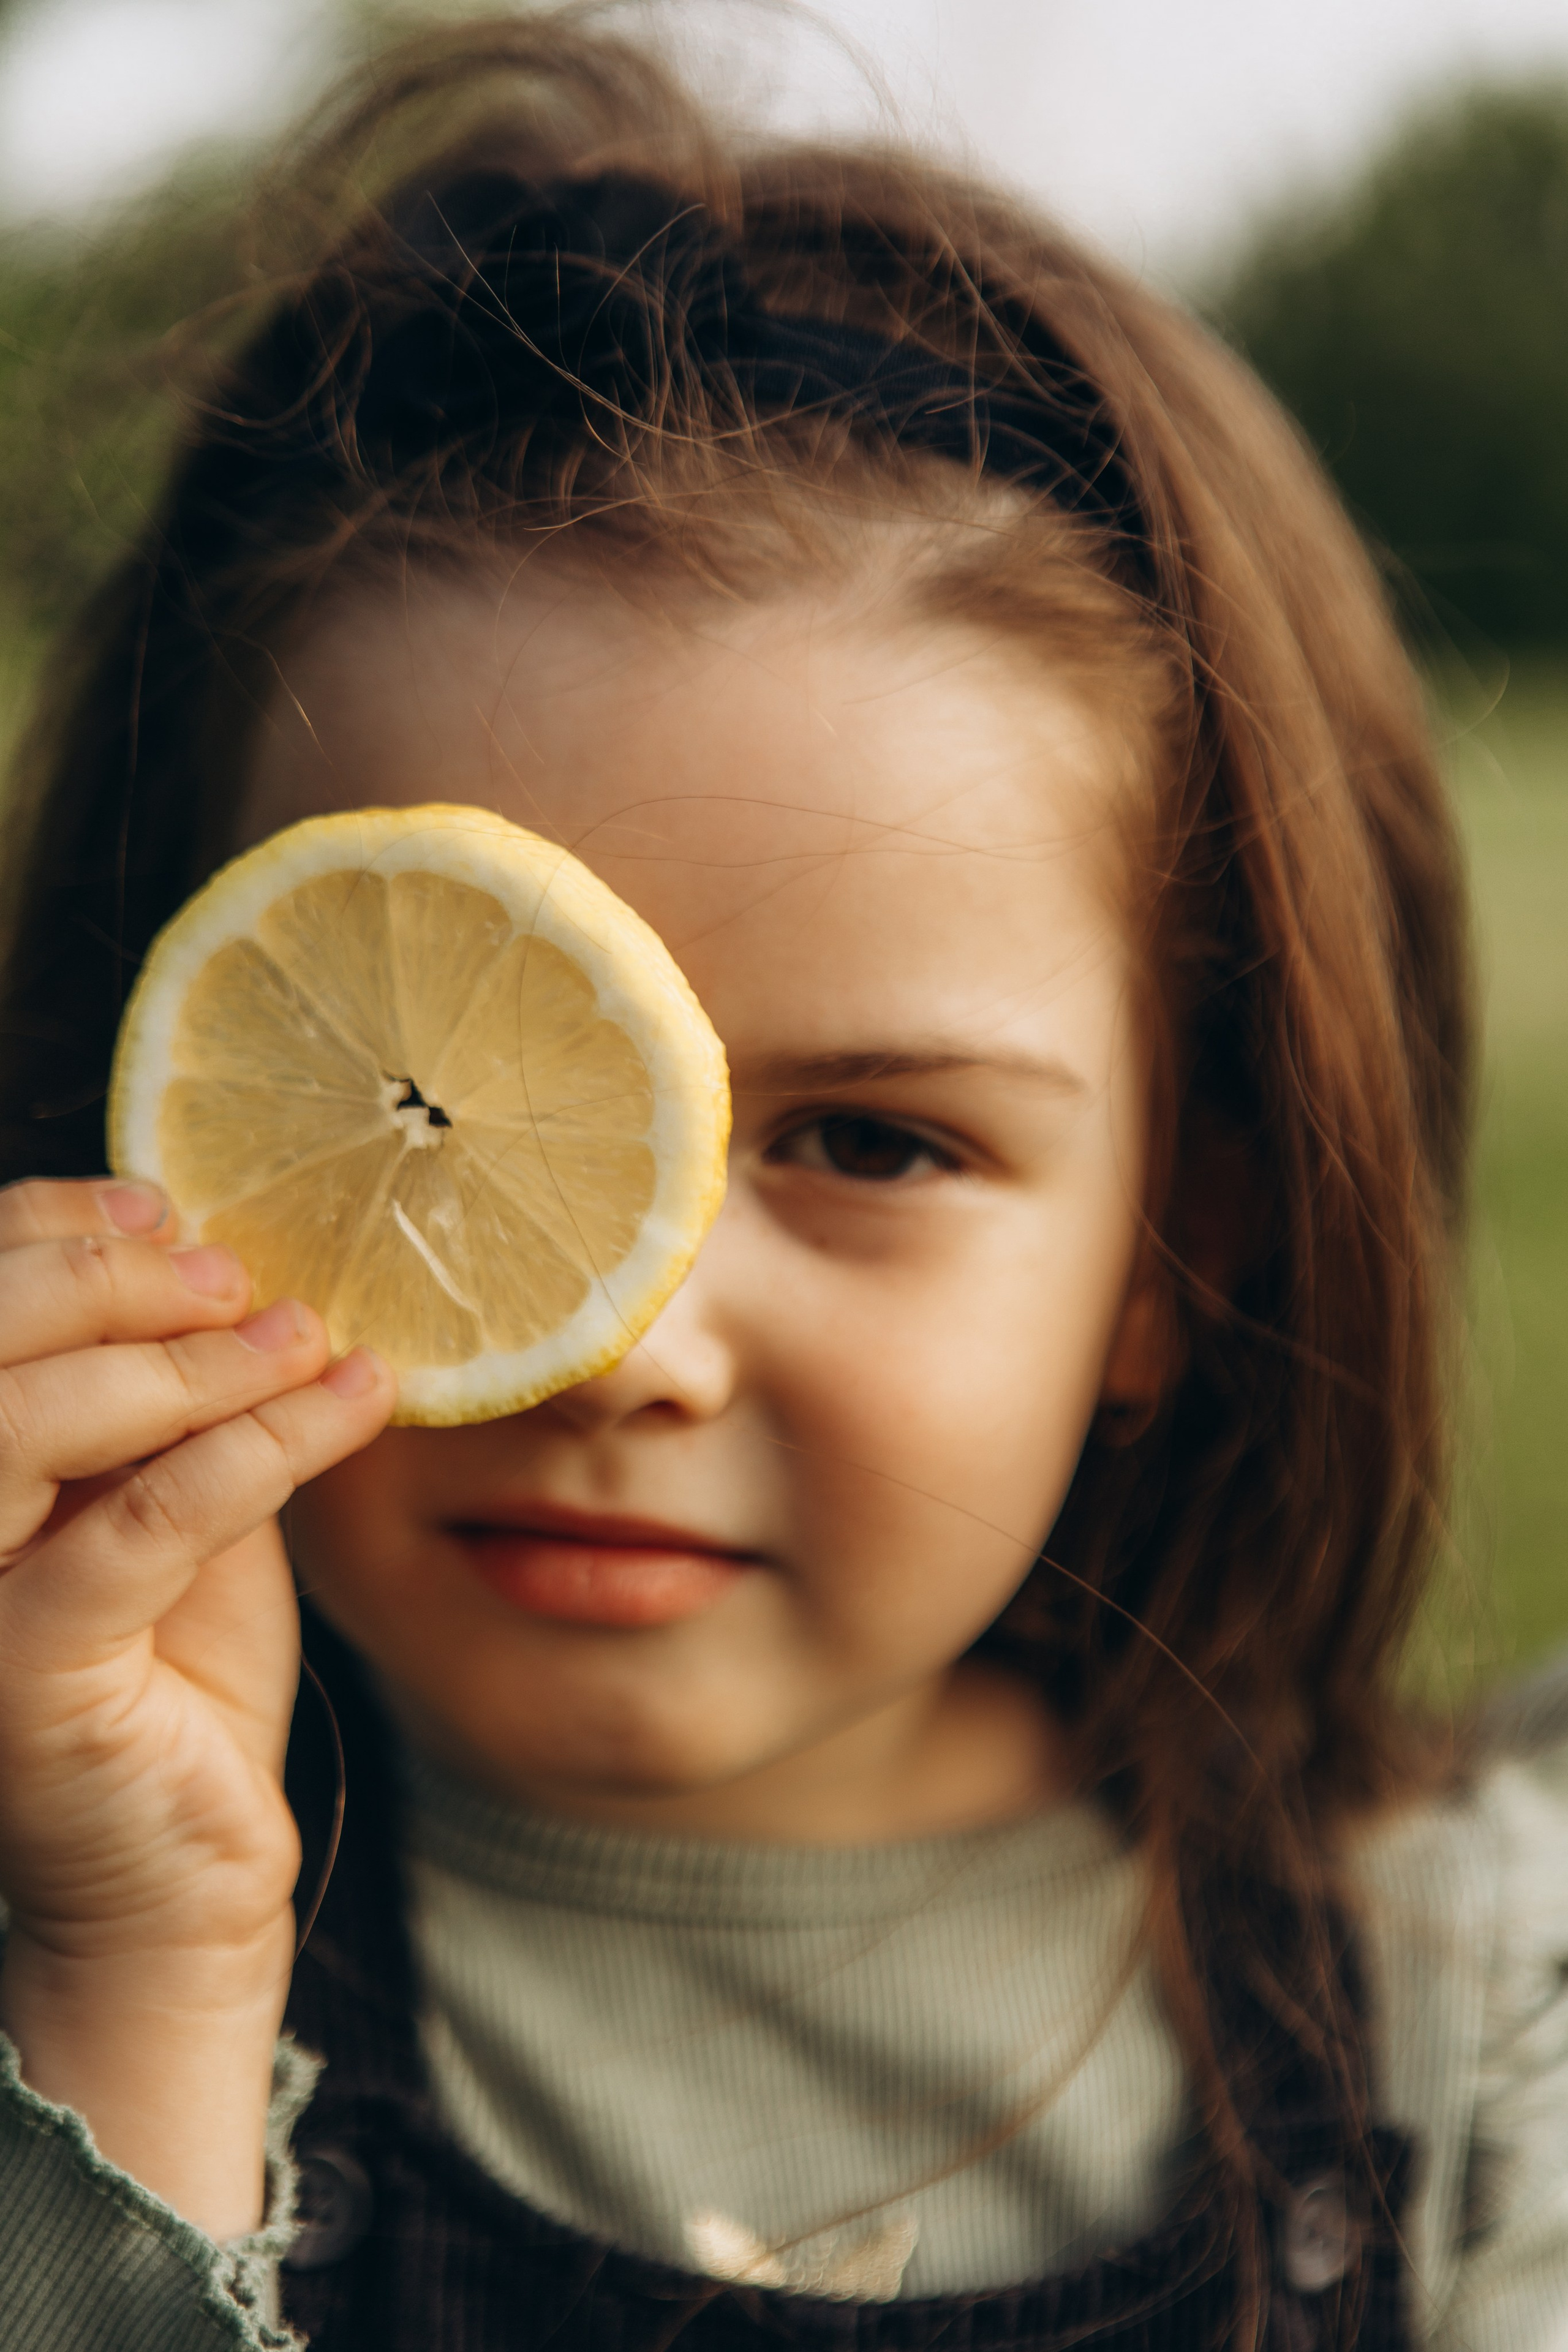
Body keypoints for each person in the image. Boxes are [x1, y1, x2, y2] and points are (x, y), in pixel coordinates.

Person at [0, 13, 1564, 2350]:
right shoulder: (63, 1918)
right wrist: (137, 1981)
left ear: (1177, 1250)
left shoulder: (1469, 2005)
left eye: (869, 1142)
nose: (633, 1353)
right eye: (422, 1105)